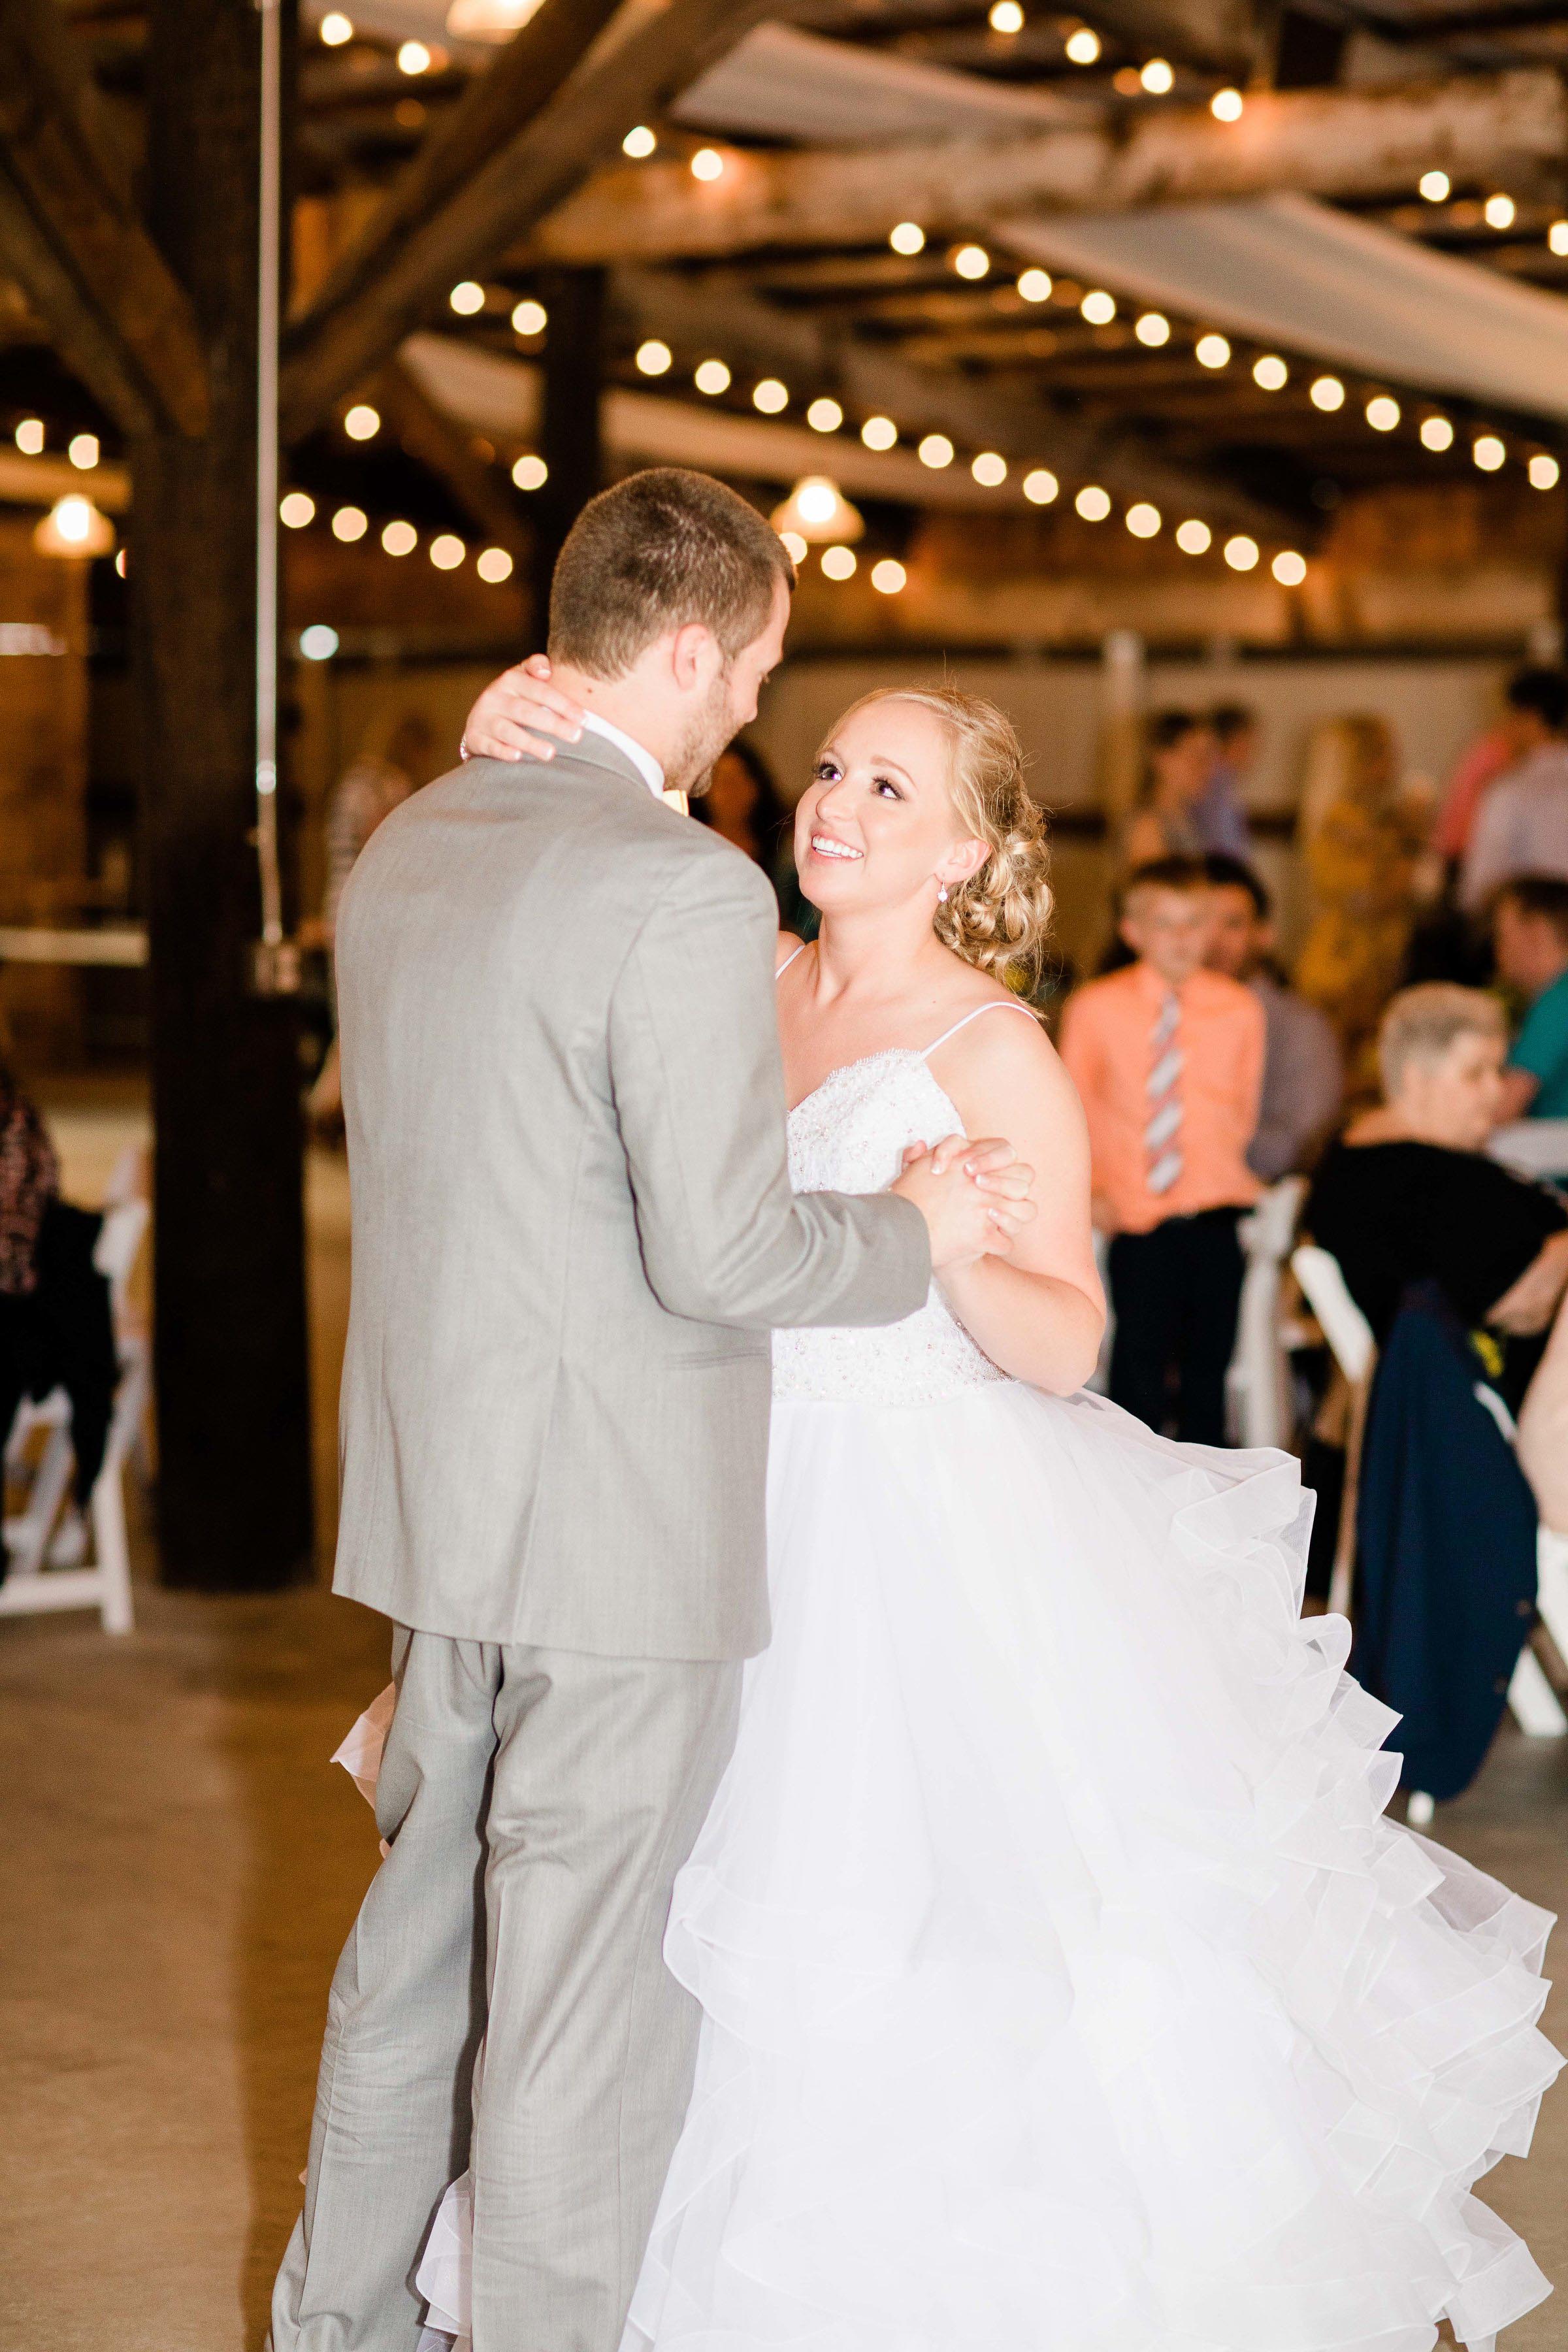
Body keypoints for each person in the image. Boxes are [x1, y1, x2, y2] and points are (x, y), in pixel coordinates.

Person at [412, 672, 1560, 2352]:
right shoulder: (732, 971)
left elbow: (1069, 1340)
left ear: (962, 850)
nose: (834, 806)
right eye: (825, 770)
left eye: (890, 789)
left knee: (897, 1938)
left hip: (899, 1525)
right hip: (700, 1490)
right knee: (655, 1929)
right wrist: (511, 745)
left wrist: (932, 1249)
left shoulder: (991, 1044)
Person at [267, 471, 1035, 2352]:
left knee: (408, 1976)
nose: (757, 718)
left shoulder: (411, 844)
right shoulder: (680, 886)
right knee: (581, 2028)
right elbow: (724, 1253)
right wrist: (913, 1228)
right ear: (687, 643)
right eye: (756, 672)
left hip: (443, 1517)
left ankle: (327, 2332)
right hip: (620, 1538)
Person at [1060, 857, 1264, 1444]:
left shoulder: (1240, 1010)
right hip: (1136, 1215)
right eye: (1165, 923)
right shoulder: (1096, 1010)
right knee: (1138, 1365)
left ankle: (1206, 1496)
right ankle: (1137, 1489)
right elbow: (1073, 1107)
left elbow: (1242, 1111)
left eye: (1195, 922)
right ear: (1133, 931)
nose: (1182, 938)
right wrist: (1091, 1190)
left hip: (1217, 1208)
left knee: (1210, 1367)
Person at [1306, 983, 1568, 1411]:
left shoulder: (1361, 1155)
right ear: (1415, 1079)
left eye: (1498, 1072)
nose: (1495, 1092)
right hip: (1510, 1402)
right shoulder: (1416, 1181)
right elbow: (1523, 1304)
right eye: (1474, 1074)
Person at [1294, 712, 1429, 1092]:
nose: (1395, 766)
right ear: (1364, 763)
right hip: (1344, 966)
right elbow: (1363, 899)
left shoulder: (1378, 819)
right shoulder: (1341, 823)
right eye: (1388, 755)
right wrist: (1408, 863)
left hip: (1374, 963)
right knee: (1337, 1078)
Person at [1203, 851, 1343, 1178]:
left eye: (1233, 924)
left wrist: (1203, 1138)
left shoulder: (1301, 1029)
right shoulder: (1145, 1015)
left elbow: (1304, 1146)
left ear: (1264, 935)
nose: (1215, 941)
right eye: (1201, 922)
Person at [1462, 664, 1568, 912]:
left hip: (1537, 932)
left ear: (1528, 718)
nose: (1502, 729)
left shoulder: (1509, 792)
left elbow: (1479, 888)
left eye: (1507, 717)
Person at [692, 736, 815, 935]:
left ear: (756, 785)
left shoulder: (782, 850)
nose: (732, 791)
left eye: (739, 779)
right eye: (722, 782)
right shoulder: (695, 846)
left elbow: (799, 918)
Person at [1494, 873, 1568, 1121]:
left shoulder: (1558, 1002)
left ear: (1536, 932)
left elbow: (1503, 1106)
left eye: (1503, 934)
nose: (1498, 951)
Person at [1120, 708, 1215, 868]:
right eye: (1196, 756)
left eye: (1209, 757)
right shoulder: (1146, 828)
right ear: (1162, 759)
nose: (1206, 768)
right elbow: (1153, 890)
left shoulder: (1187, 820)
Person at [1190, 699, 1256, 857]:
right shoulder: (1214, 783)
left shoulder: (1223, 781)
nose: (1254, 753)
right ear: (1238, 740)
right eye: (1252, 742)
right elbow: (1222, 847)